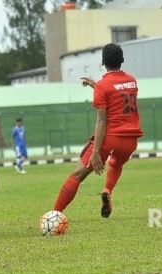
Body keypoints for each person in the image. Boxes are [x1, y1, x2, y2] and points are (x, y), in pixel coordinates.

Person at [53, 43, 144, 218]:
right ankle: (107, 190)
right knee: (116, 164)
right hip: (131, 140)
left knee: (77, 175)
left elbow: (102, 121)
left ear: (102, 62)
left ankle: (54, 215)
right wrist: (97, 86)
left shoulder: (103, 86)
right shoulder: (132, 81)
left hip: (110, 138)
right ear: (122, 60)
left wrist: (95, 152)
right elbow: (117, 94)